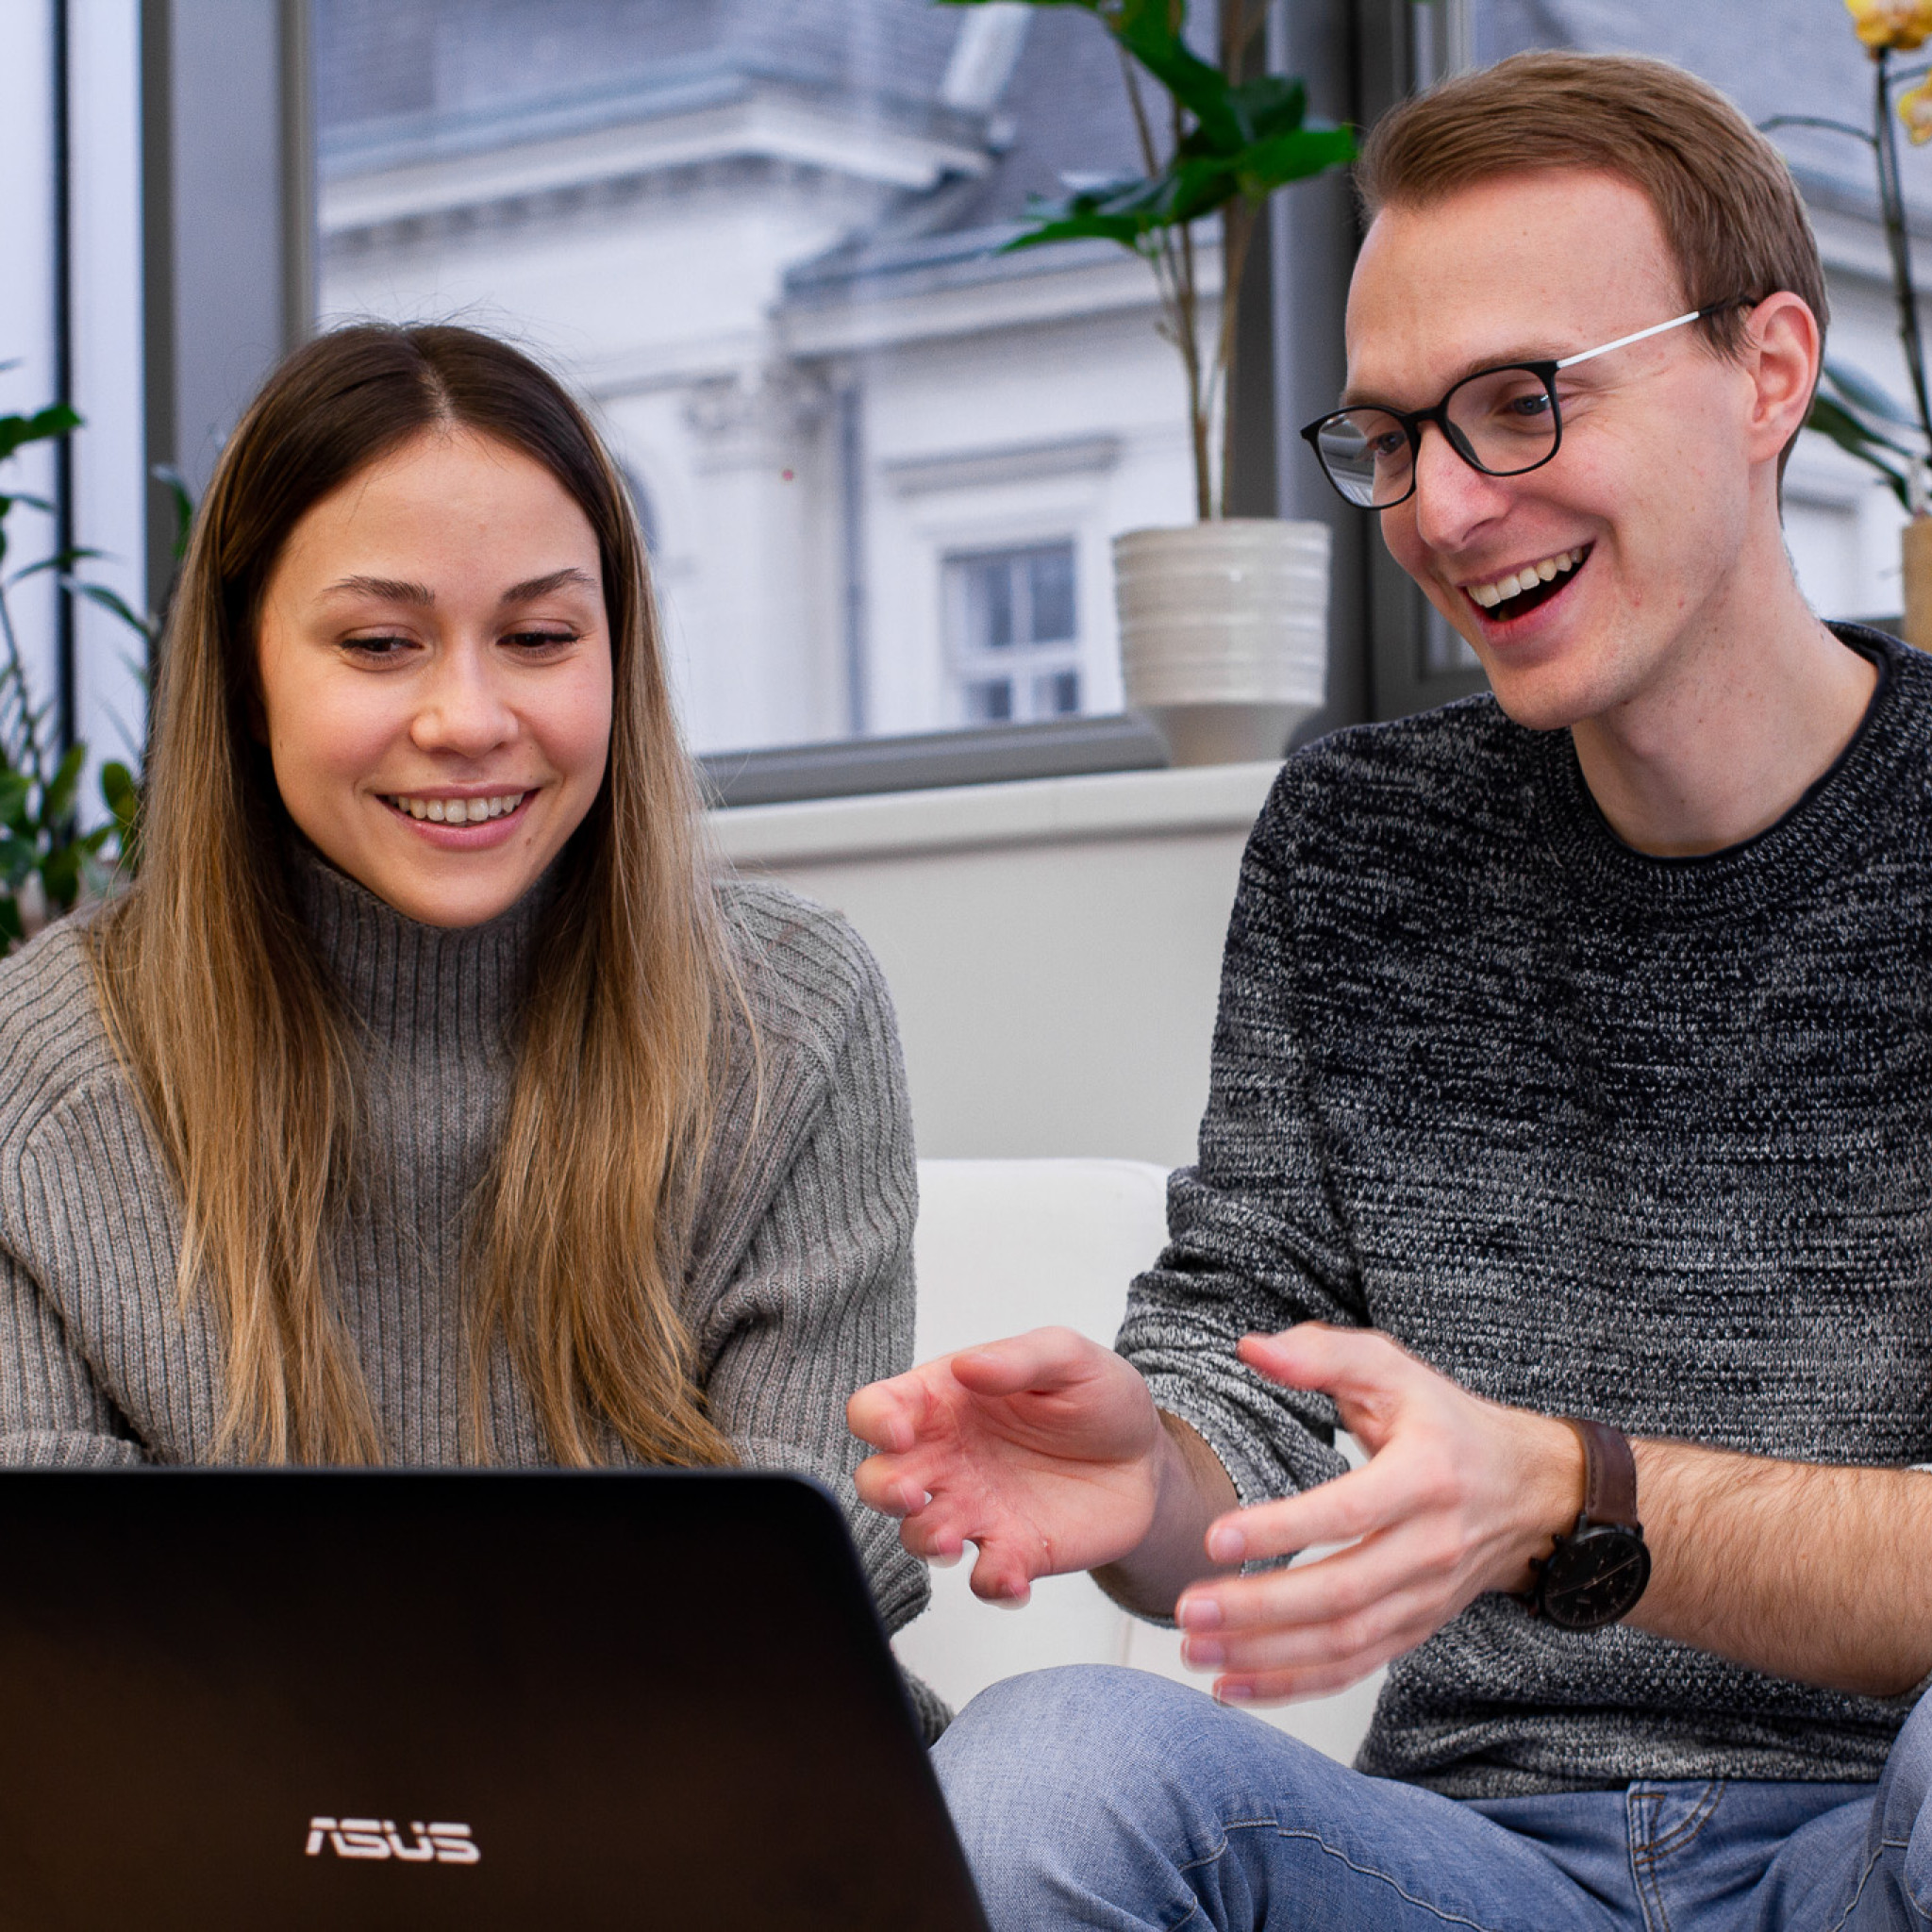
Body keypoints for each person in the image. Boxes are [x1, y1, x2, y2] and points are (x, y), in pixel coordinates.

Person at [849, 49, 1932, 1926]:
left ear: (1769, 372)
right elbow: (1255, 1345)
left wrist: (1567, 1492)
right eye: (1390, 436)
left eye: (1519, 403)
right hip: (1458, 1869)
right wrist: (1153, 1474)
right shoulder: (1365, 840)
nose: (1439, 506)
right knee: (1043, 1764)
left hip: (1880, 1842)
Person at [0, 323, 940, 1730]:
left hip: (707, 1791)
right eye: (380, 644)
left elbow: (810, 1567)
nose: (469, 717)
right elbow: (57, 1637)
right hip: (238, 1829)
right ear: (247, 668)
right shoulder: (45, 1055)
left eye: (541, 637)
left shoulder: (791, 1016)